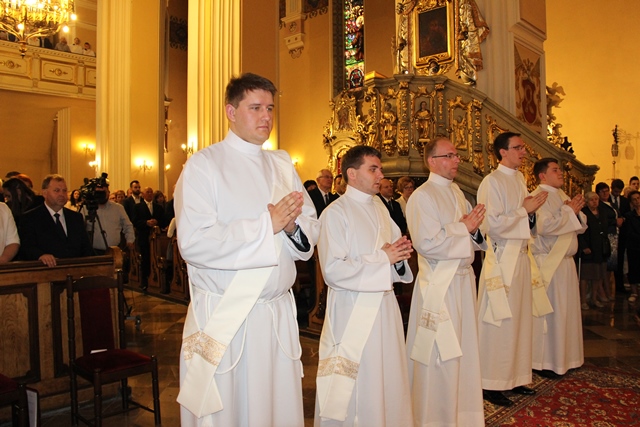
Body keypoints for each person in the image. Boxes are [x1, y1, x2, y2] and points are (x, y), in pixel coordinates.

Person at [175, 73, 320, 427]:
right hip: (228, 315)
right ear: (231, 112)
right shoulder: (204, 165)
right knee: (230, 412)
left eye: (270, 108)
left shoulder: (282, 163)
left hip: (275, 313)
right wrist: (265, 225)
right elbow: (194, 242)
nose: (266, 116)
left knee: (275, 410)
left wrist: (291, 227)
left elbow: (309, 224)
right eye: (255, 108)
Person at [314, 145, 413, 426]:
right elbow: (333, 270)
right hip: (352, 309)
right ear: (352, 174)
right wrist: (383, 258)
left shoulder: (380, 207)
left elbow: (392, 254)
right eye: (374, 169)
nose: (381, 175)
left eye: (380, 169)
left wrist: (399, 257)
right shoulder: (335, 213)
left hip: (384, 308)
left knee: (386, 374)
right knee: (358, 381)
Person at [405, 137, 486, 426]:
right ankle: (435, 417)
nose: (456, 160)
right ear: (432, 161)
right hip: (440, 284)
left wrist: (472, 231)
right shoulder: (422, 197)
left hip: (463, 281)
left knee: (464, 350)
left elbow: (470, 235)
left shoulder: (456, 191)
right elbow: (426, 244)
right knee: (441, 354)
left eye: (456, 155)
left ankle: (462, 415)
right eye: (449, 155)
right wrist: (463, 228)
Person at [476, 132, 547, 407]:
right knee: (498, 322)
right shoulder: (491, 182)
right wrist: (523, 211)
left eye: (523, 147)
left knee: (519, 320)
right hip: (502, 260)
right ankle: (491, 381)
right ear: (502, 152)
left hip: (521, 258)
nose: (523, 152)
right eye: (518, 148)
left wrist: (530, 213)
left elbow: (526, 217)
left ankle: (515, 377)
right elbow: (490, 225)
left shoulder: (519, 179)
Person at [529, 158, 586, 378]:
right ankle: (546, 361)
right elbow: (543, 227)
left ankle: (566, 358)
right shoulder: (538, 197)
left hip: (565, 264)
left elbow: (580, 226)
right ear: (542, 175)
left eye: (560, 169)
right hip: (549, 263)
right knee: (550, 313)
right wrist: (569, 212)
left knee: (566, 313)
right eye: (555, 170)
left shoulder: (562, 195)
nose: (560, 173)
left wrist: (574, 212)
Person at [18, 174, 92, 266]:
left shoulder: (75, 217)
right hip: (46, 269)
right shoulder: (30, 217)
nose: (62, 194)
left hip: (74, 269)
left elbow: (86, 248)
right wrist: (40, 255)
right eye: (57, 190)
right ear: (45, 193)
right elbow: (26, 247)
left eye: (64, 190)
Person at [578, 192, 614, 308]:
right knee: (586, 275)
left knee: (598, 275)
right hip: (588, 248)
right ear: (587, 201)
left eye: (596, 199)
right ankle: (583, 300)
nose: (594, 202)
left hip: (600, 248)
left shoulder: (602, 212)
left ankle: (594, 298)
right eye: (592, 200)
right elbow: (579, 232)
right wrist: (584, 246)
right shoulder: (583, 213)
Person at [79, 182, 135, 256]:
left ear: (108, 193)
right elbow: (79, 230)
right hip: (93, 252)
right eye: (98, 192)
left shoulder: (118, 208)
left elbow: (128, 226)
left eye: (103, 192)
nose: (101, 195)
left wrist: (130, 240)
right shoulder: (86, 209)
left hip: (114, 251)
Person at [133, 187, 166, 290]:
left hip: (156, 238)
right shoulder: (137, 207)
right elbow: (135, 221)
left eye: (151, 192)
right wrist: (146, 223)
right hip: (144, 237)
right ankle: (144, 281)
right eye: (147, 192)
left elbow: (164, 220)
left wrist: (157, 222)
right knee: (145, 259)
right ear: (143, 194)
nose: (150, 194)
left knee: (156, 257)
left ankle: (156, 280)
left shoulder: (158, 207)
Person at [621, 191, 640, 303]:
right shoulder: (629, 216)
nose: (637, 201)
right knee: (633, 269)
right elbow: (628, 232)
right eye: (634, 199)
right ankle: (634, 292)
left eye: (638, 198)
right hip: (634, 246)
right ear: (631, 202)